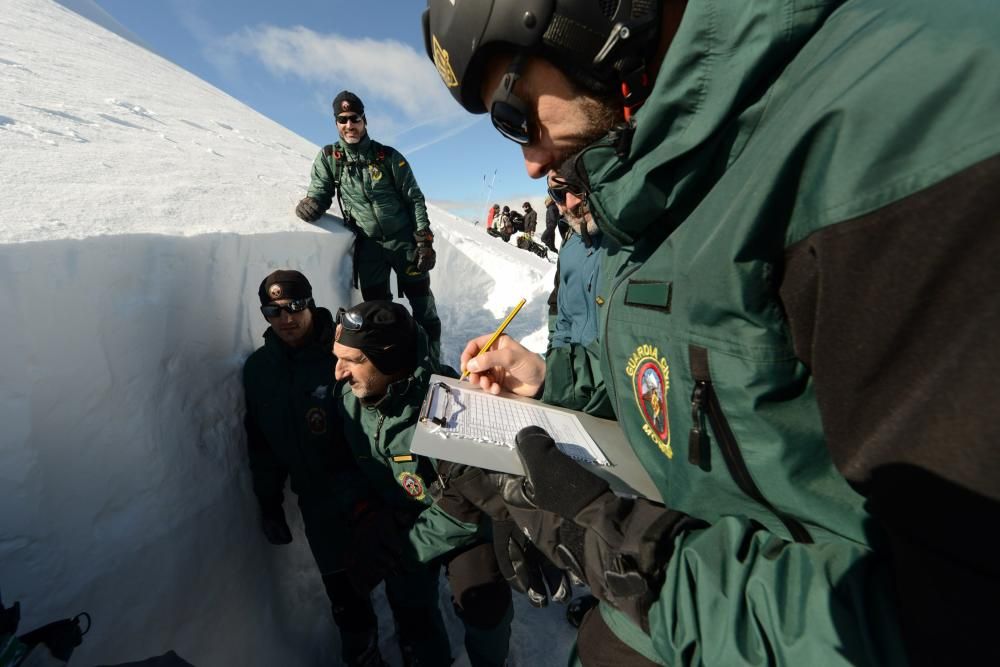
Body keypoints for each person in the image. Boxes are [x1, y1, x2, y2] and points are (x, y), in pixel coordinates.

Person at [424, 1, 1000, 666]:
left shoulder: (900, 117)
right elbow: (687, 371)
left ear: (586, 17)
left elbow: (946, 627)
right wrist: (551, 379)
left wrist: (616, 549)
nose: (527, 161)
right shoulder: (658, 174)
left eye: (513, 114)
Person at [332, 301, 515, 667]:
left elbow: (468, 507)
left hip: (461, 525)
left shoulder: (450, 406)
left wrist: (408, 547)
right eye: (337, 357)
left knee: (483, 603)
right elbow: (346, 467)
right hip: (400, 516)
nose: (339, 373)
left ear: (389, 358)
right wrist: (366, 514)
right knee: (407, 600)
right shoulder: (350, 401)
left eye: (353, 360)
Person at [242, 270, 385, 666]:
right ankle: (365, 655)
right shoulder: (259, 370)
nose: (286, 317)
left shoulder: (344, 354)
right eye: (273, 310)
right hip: (316, 503)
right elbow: (261, 441)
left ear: (310, 302)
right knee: (344, 596)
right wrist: (269, 501)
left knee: (398, 574)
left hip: (367, 491)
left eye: (294, 306)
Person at [294, 90, 443, 363]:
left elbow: (414, 198)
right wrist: (312, 203)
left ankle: (432, 356)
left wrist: (424, 240)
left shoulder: (388, 157)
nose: (349, 125)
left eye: (354, 119)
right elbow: (320, 190)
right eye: (342, 120)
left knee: (422, 303)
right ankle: (388, 360)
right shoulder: (330, 158)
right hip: (369, 247)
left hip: (403, 242)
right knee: (377, 310)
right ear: (336, 123)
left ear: (364, 120)